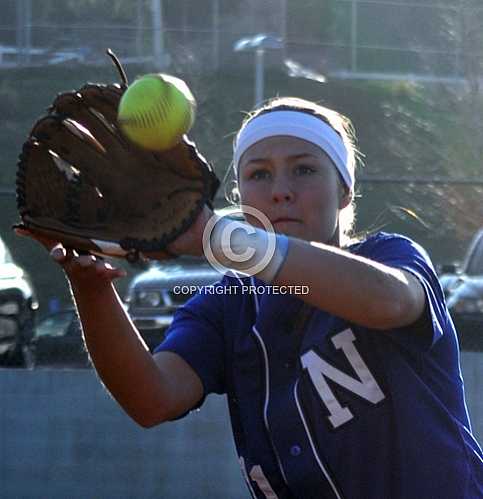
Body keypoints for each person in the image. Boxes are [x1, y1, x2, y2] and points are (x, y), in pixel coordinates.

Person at [18, 97, 483, 498]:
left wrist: (219, 238)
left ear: (344, 189)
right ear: (241, 196)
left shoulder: (388, 256)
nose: (281, 191)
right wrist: (91, 288)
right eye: (259, 174)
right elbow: (152, 398)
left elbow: (390, 301)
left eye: (304, 169)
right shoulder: (228, 305)